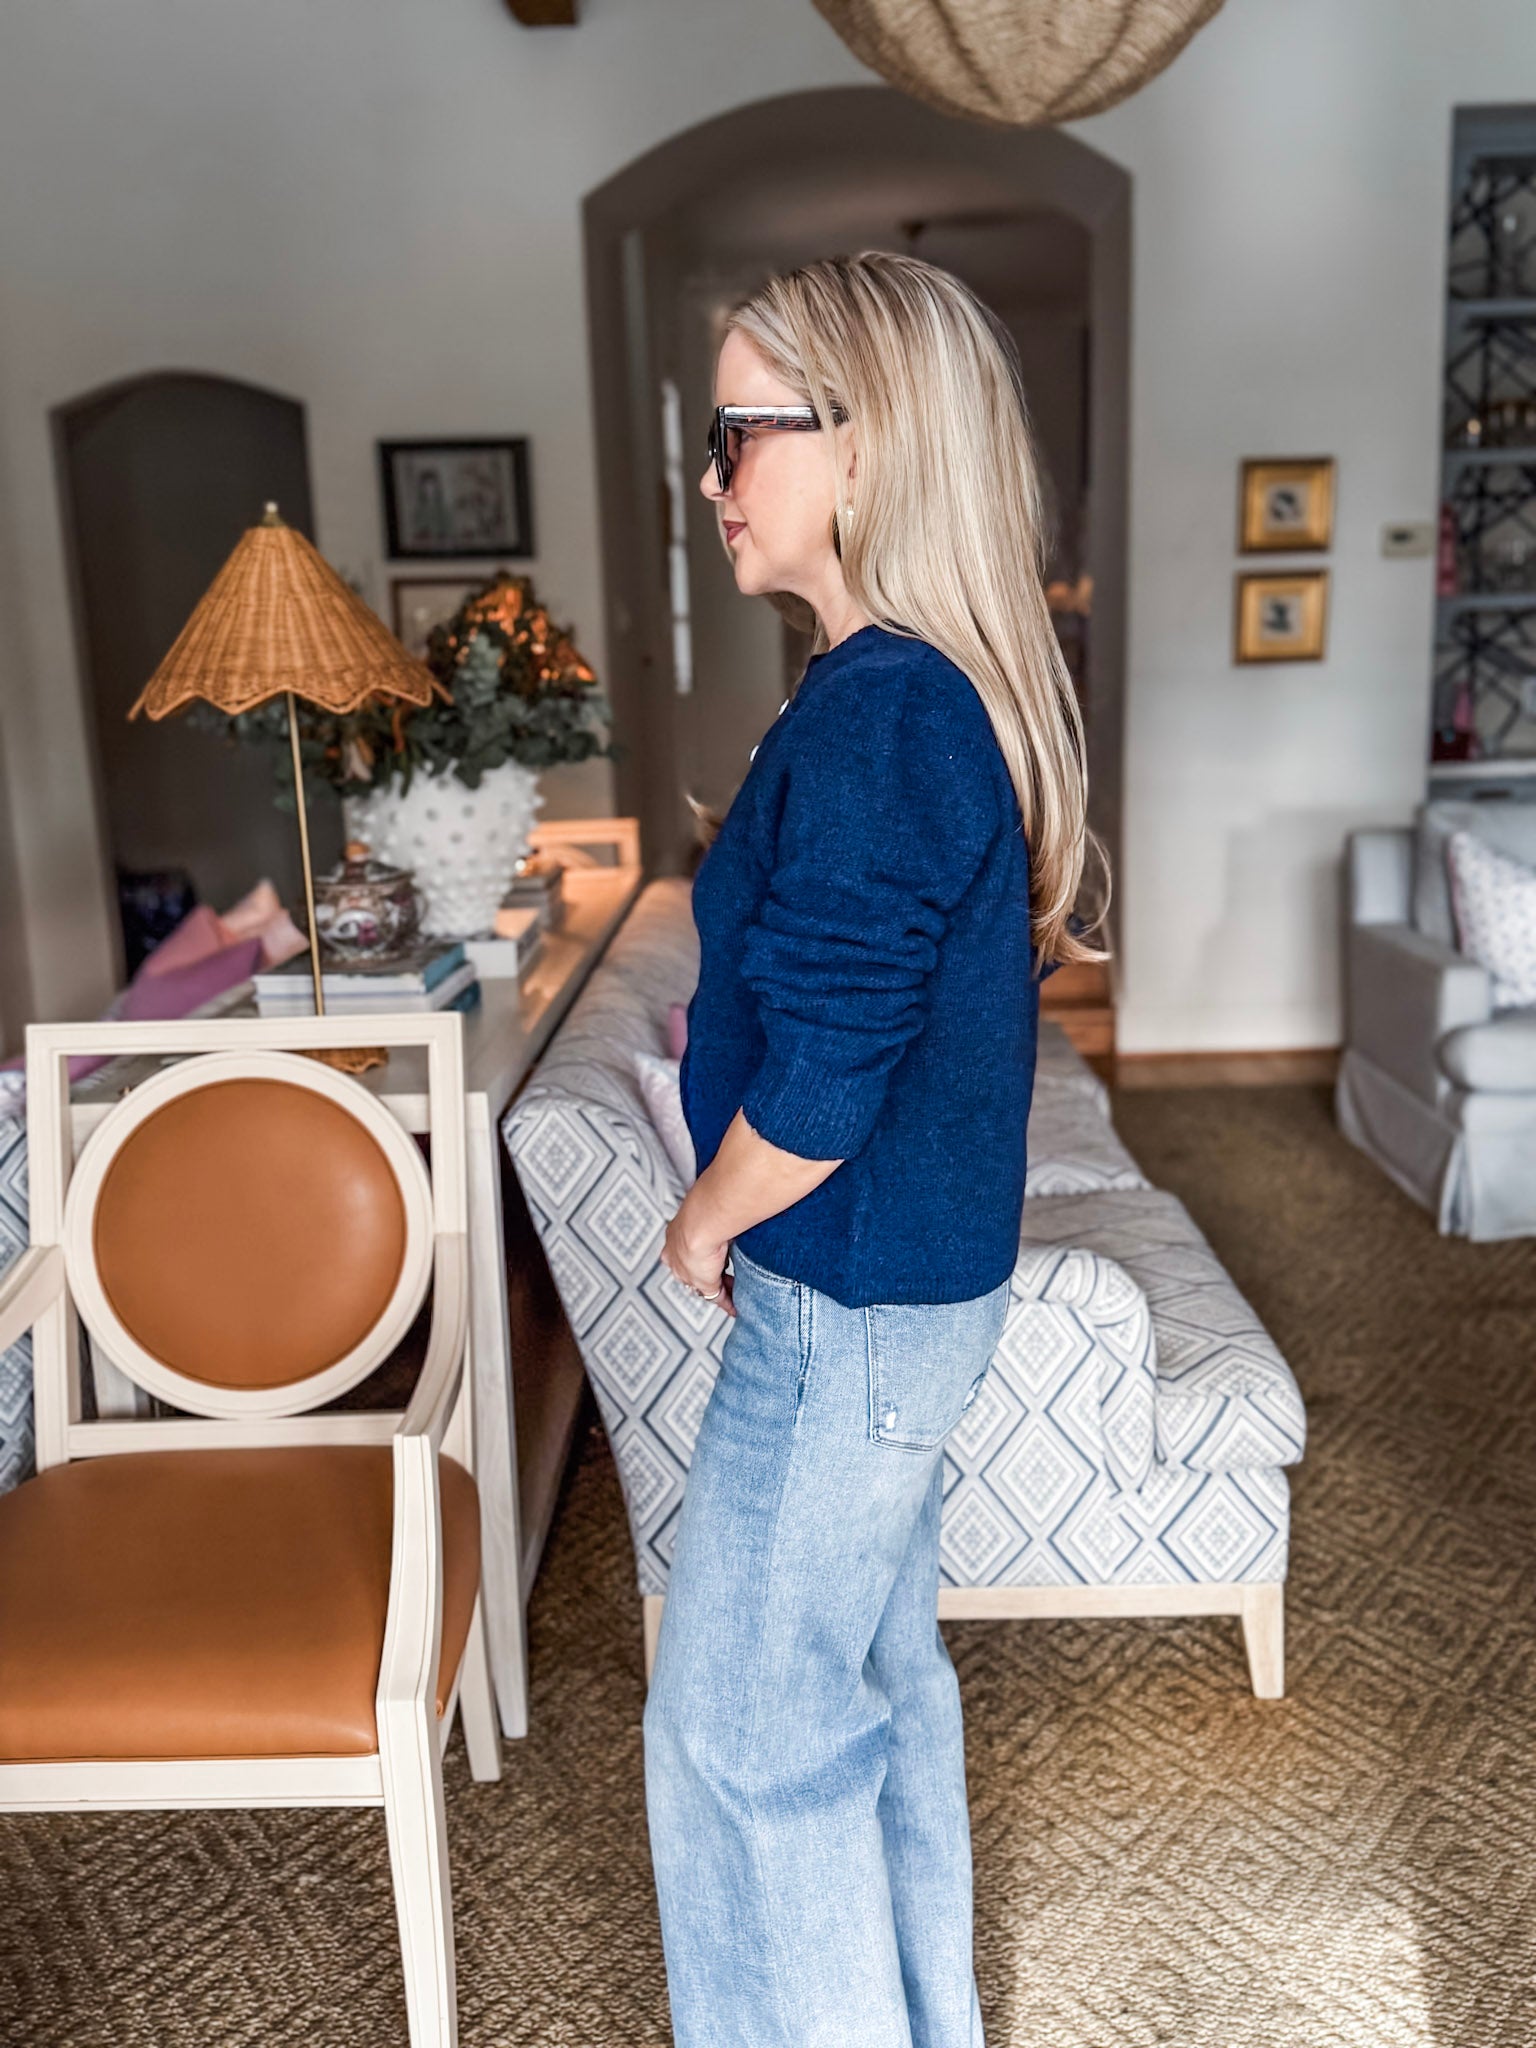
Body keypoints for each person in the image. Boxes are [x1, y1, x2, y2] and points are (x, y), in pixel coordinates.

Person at [644, 251, 1110, 2048]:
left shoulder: (888, 707)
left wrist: (704, 1221)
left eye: (737, 433)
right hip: (889, 1300)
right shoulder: (896, 692)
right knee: (868, 1695)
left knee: (746, 1735)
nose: (712, 476)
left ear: (867, 442)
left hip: (844, 1307)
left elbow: (831, 1072)